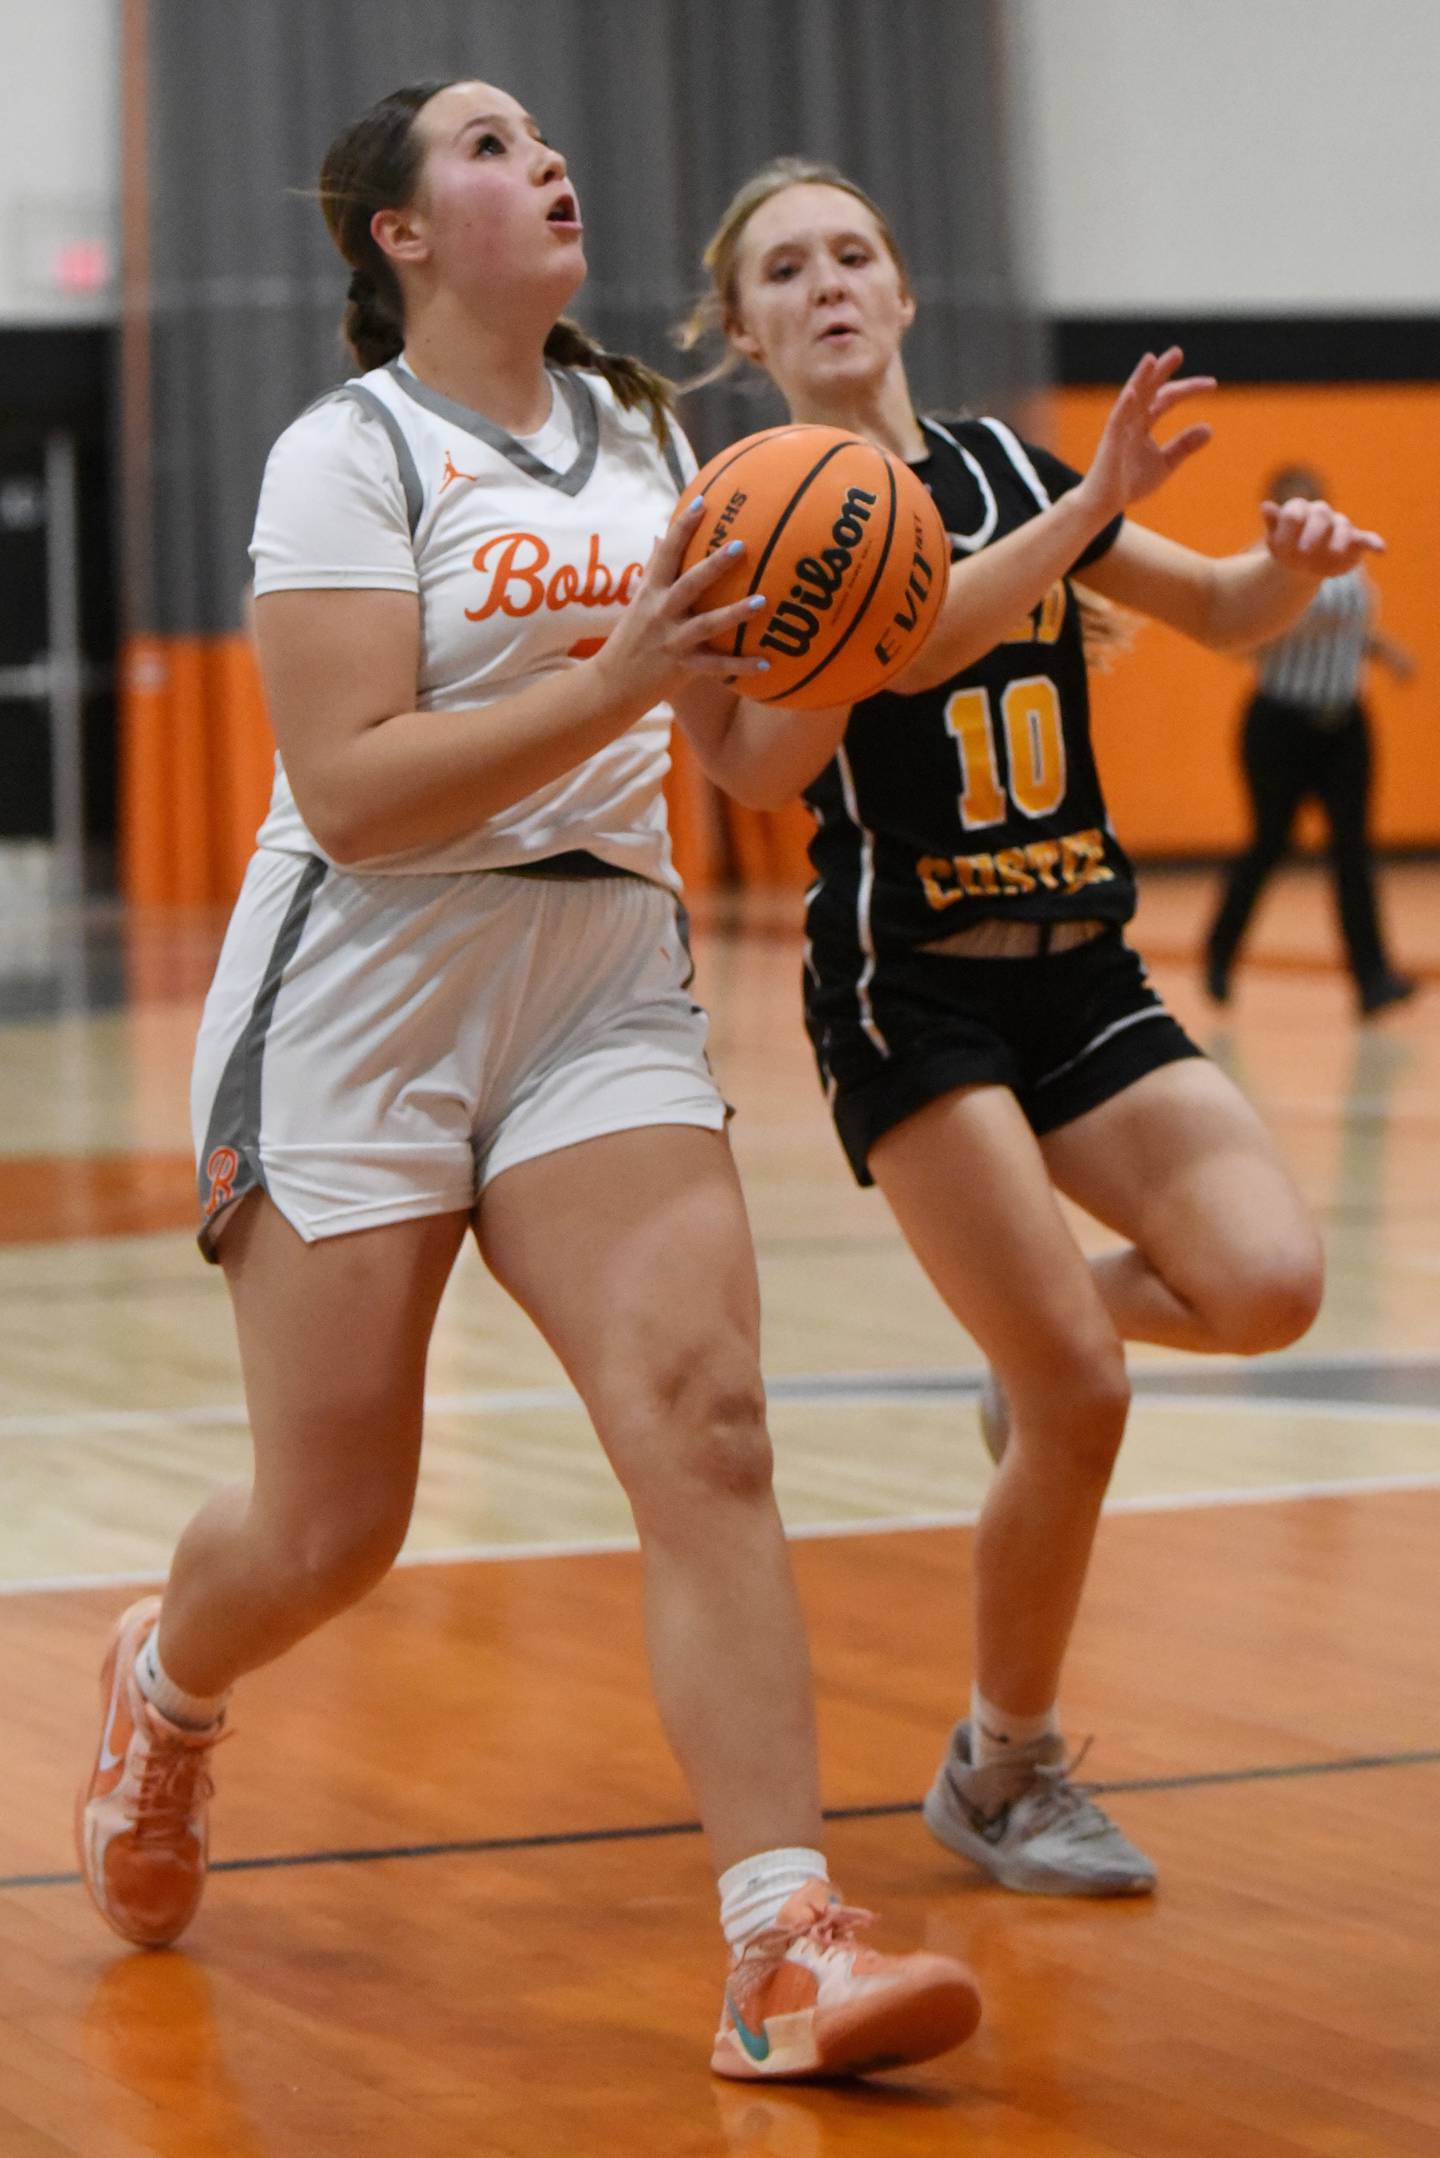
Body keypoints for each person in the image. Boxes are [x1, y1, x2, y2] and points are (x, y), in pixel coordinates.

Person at [74, 85, 984, 2083]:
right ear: (398, 232)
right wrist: (617, 678)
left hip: (595, 970)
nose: (545, 158)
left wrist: (861, 611)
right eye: (487, 145)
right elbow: (352, 790)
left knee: (713, 1417)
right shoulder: (351, 453)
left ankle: (780, 1939)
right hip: (365, 982)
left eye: (545, 137)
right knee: (335, 1522)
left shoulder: (664, 439)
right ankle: (168, 1673)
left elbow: (742, 765)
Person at [675, 158, 1382, 1897]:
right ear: (747, 328)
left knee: (1270, 1279)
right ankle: (1006, 1767)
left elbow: (1212, 610)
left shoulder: (998, 463)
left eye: (856, 251)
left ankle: (1027, 1351)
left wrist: (1285, 565)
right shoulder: (743, 512)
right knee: (1085, 1384)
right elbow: (763, 759)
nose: (829, 280)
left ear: (905, 293)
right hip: (906, 985)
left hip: (1083, 966)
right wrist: (1084, 521)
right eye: (787, 267)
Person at [1204, 462, 1416, 1016]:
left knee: (1352, 848)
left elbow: (1349, 623)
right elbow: (1237, 637)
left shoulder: (1346, 553)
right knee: (1271, 842)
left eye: (1313, 502)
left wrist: (1384, 650)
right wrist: (1284, 602)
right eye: (1293, 506)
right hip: (1280, 724)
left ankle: (1372, 980)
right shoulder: (1257, 563)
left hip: (1345, 723)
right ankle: (1219, 953)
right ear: (1274, 512)